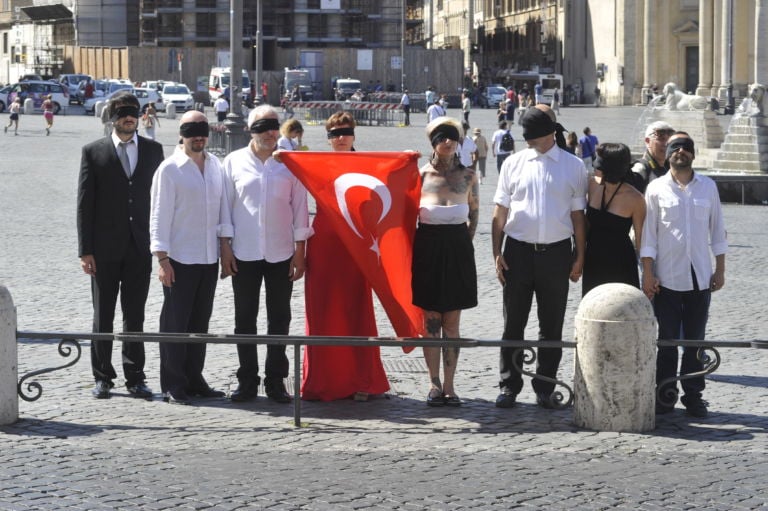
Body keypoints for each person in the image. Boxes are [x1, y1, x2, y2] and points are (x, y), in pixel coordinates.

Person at [491, 104, 588, 409]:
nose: (527, 140)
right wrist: (496, 251)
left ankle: (545, 385)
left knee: (552, 323)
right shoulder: (513, 163)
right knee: (513, 322)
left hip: (556, 253)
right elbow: (500, 211)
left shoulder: (573, 166)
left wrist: (579, 255)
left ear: (548, 133)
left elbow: (578, 217)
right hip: (518, 251)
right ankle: (509, 384)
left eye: (531, 135)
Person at [220, 105, 312, 404]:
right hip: (244, 252)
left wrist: (300, 252)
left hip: (281, 251)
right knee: (244, 318)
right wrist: (225, 247)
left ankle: (276, 381)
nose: (271, 133)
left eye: (275, 126)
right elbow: (224, 208)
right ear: (251, 130)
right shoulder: (232, 162)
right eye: (264, 127)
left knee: (280, 318)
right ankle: (247, 380)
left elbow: (300, 210)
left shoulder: (289, 164)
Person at [77, 91, 165, 400]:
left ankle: (135, 376)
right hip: (104, 248)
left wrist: (160, 244)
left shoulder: (154, 151)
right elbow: (85, 204)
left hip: (139, 246)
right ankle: (102, 376)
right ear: (113, 118)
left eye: (133, 112)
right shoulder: (94, 152)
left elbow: (160, 201)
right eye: (123, 113)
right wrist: (85, 251)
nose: (129, 117)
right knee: (103, 313)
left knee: (135, 313)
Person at [301, 111, 390, 401]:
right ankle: (324, 379)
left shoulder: (367, 164)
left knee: (356, 308)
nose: (340, 138)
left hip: (355, 243)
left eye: (345, 132)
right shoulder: (317, 163)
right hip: (324, 245)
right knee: (323, 309)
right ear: (327, 138)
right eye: (334, 133)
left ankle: (362, 378)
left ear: (354, 134)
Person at [640, 132, 727, 418]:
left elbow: (717, 231)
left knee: (695, 341)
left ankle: (693, 395)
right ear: (667, 155)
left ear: (693, 154)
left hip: (700, 276)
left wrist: (720, 269)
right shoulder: (655, 190)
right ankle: (665, 394)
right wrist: (648, 273)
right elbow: (648, 237)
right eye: (676, 148)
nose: (681, 153)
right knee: (666, 341)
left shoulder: (708, 188)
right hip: (666, 278)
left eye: (686, 149)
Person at [150, 110, 233, 405]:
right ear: (182, 134)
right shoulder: (170, 169)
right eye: (192, 130)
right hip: (179, 258)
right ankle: (172, 383)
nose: (198, 136)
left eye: (203, 130)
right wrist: (162, 259)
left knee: (200, 323)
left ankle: (194, 378)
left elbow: (223, 209)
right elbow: (159, 216)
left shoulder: (215, 166)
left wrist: (225, 248)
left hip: (208, 257)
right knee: (175, 323)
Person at [411, 117, 479, 406]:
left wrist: (467, 243)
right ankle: (434, 384)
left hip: (458, 248)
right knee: (431, 322)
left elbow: (474, 212)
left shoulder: (468, 176)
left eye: (452, 137)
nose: (447, 142)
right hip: (427, 247)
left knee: (452, 321)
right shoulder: (420, 176)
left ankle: (450, 386)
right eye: (441, 137)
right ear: (433, 143)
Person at [582, 143, 646, 296]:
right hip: (593, 260)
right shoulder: (591, 185)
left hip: (621, 263)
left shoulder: (636, 199)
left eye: (599, 166)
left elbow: (641, 241)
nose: (595, 169)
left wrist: (648, 273)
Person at [630, 120, 674, 193]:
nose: (666, 144)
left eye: (670, 140)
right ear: (648, 141)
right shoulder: (640, 170)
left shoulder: (670, 168)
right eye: (661, 139)